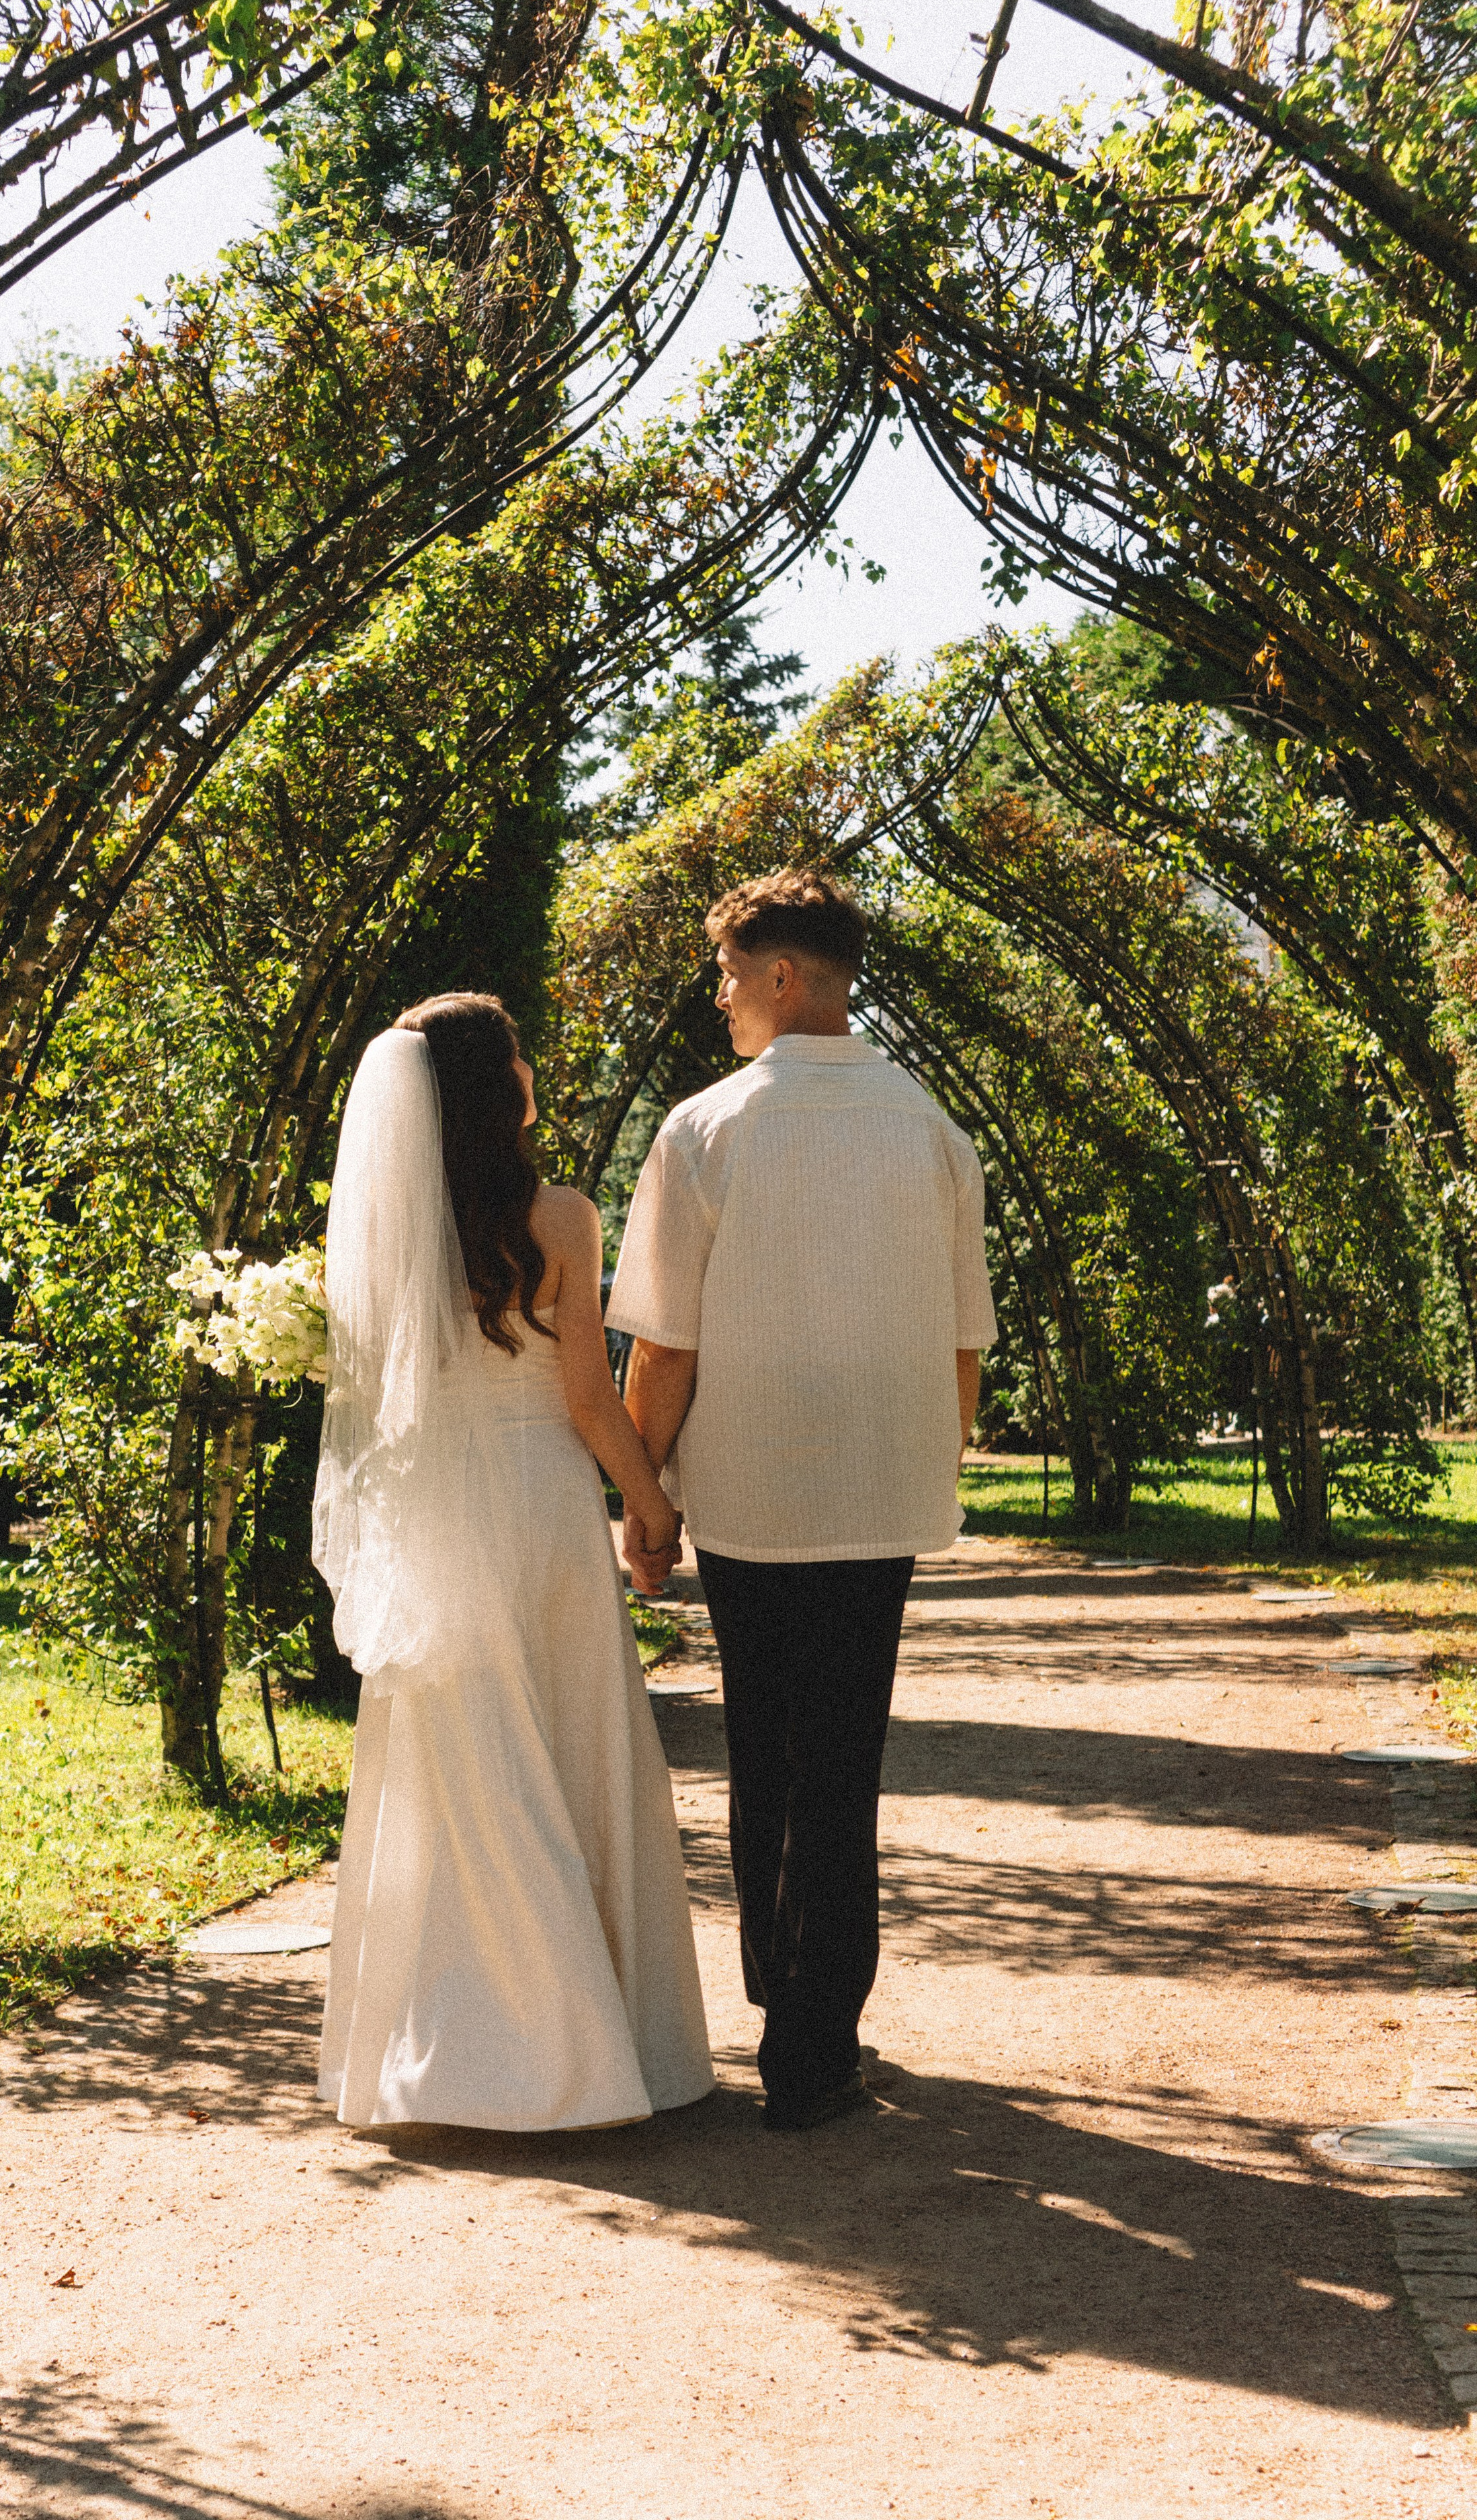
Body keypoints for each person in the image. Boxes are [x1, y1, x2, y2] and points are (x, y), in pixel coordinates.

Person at [605, 870, 996, 2133]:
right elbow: (964, 1345)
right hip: (879, 1494)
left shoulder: (705, 1130)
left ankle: (792, 2017)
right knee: (843, 1762)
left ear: (783, 978)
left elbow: (661, 1344)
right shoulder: (936, 1131)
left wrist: (645, 1498)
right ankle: (812, 2036)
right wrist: (930, 1464)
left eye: (728, 975)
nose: (718, 999)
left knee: (767, 1751)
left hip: (753, 1493)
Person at [311, 994, 712, 2130]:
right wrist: (651, 1510)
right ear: (505, 1088)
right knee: (568, 1749)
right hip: (539, 1509)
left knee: (464, 1770)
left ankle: (460, 2054)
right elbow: (587, 1395)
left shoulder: (393, 1229)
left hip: (441, 1516)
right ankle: (583, 2052)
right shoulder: (561, 1219)